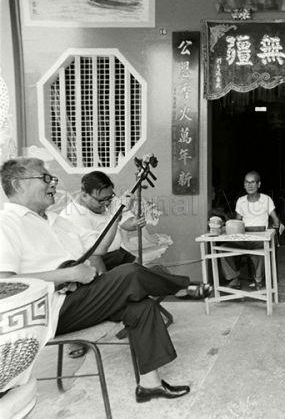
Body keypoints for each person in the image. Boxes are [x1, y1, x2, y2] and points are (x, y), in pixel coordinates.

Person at [0, 157, 211, 402]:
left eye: (52, 178)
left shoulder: (58, 222)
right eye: (44, 177)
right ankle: (183, 288)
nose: (52, 183)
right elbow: (5, 284)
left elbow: (99, 249)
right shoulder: (7, 224)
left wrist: (118, 213)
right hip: (52, 310)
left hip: (79, 296)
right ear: (18, 185)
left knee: (141, 306)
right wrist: (67, 274)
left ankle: (149, 385)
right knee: (130, 273)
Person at [59, 170, 143, 271]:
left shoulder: (107, 198)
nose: (107, 203)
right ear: (84, 195)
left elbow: (126, 222)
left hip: (116, 254)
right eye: (101, 200)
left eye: (110, 197)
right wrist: (116, 216)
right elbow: (96, 252)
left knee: (145, 272)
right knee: (135, 276)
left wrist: (135, 223)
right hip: (90, 263)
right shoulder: (73, 215)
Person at [221, 171, 281, 290]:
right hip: (244, 238)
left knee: (260, 250)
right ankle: (234, 278)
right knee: (222, 249)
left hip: (259, 238)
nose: (250, 185)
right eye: (247, 182)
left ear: (259, 184)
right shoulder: (241, 201)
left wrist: (276, 228)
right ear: (244, 185)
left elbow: (276, 220)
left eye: (253, 182)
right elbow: (238, 222)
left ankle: (258, 280)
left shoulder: (266, 199)